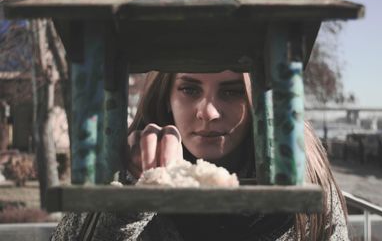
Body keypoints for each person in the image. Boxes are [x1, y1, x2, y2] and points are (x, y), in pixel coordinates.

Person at [51, 71, 349, 241]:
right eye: (190, 89)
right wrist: (129, 202)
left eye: (232, 92)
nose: (208, 112)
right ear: (167, 96)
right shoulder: (119, 167)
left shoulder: (306, 172)